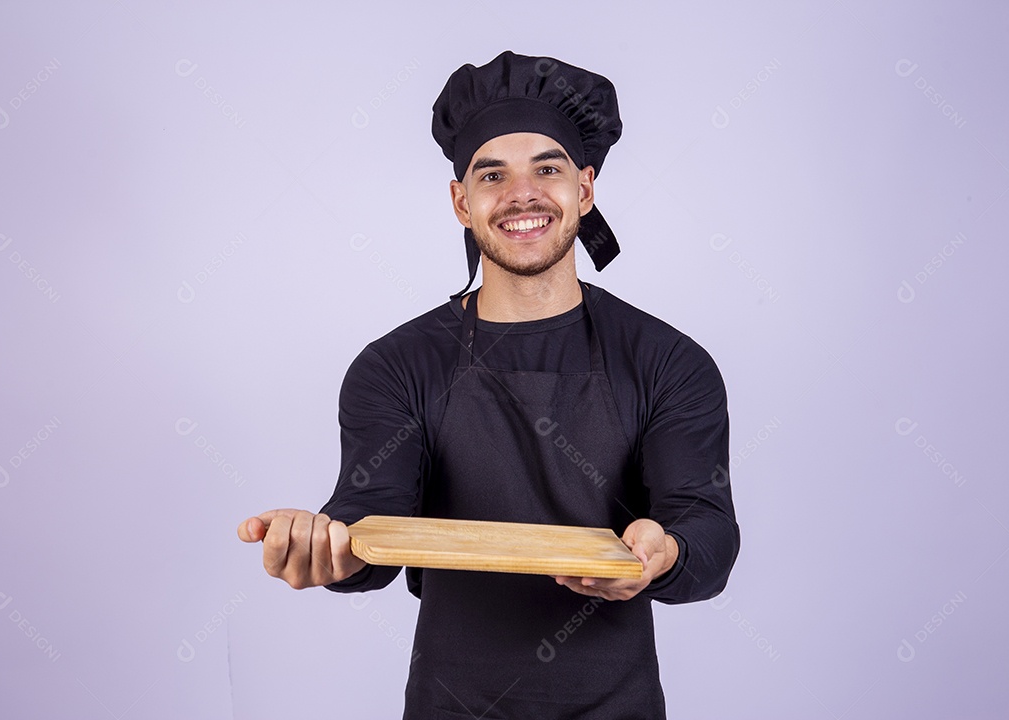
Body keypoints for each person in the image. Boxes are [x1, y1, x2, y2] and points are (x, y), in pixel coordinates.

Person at [238, 50, 739, 719]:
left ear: (584, 190)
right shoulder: (397, 366)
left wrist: (664, 551)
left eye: (548, 169)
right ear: (461, 201)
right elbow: (372, 522)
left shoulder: (668, 362)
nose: (521, 194)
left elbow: (708, 533)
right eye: (492, 174)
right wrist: (328, 551)